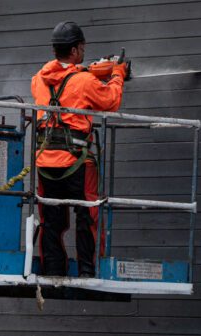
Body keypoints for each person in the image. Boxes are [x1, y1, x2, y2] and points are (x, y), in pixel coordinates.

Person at [31, 21, 129, 278]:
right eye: (82, 48)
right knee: (87, 215)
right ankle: (87, 271)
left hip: (45, 163)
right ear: (74, 50)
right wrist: (117, 73)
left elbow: (64, 82)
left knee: (51, 219)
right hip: (76, 162)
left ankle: (53, 271)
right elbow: (111, 101)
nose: (84, 51)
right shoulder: (85, 80)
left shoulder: (39, 79)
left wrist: (86, 71)